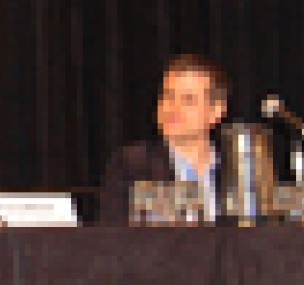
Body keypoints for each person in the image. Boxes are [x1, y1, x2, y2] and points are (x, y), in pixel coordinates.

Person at [98, 54, 228, 225]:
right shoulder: (131, 165)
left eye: (188, 100)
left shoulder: (236, 170)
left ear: (217, 111)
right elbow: (111, 238)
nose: (172, 108)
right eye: (167, 96)